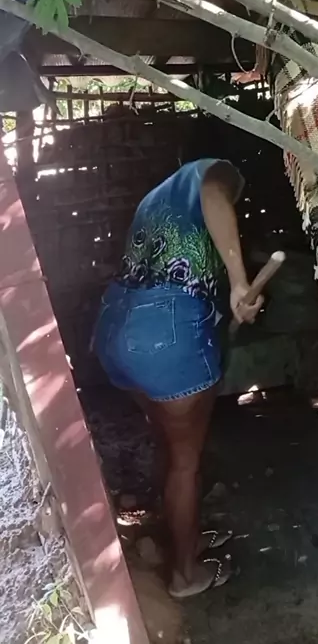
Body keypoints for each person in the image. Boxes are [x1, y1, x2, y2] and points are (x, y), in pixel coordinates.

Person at [92, 159, 263, 598]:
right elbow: (215, 193)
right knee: (186, 462)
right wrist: (239, 281)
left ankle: (185, 539)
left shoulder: (155, 200)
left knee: (169, 446)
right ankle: (185, 576)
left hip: (115, 325)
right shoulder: (212, 173)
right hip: (164, 331)